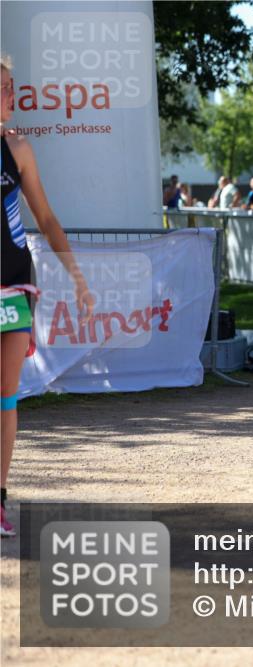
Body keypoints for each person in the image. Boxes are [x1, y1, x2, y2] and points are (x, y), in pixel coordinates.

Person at [1, 55, 95, 537]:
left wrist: (77, 277)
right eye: (2, 89)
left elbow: (47, 218)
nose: (10, 97)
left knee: (5, 398)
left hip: (15, 286)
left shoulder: (17, 147)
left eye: (10, 88)